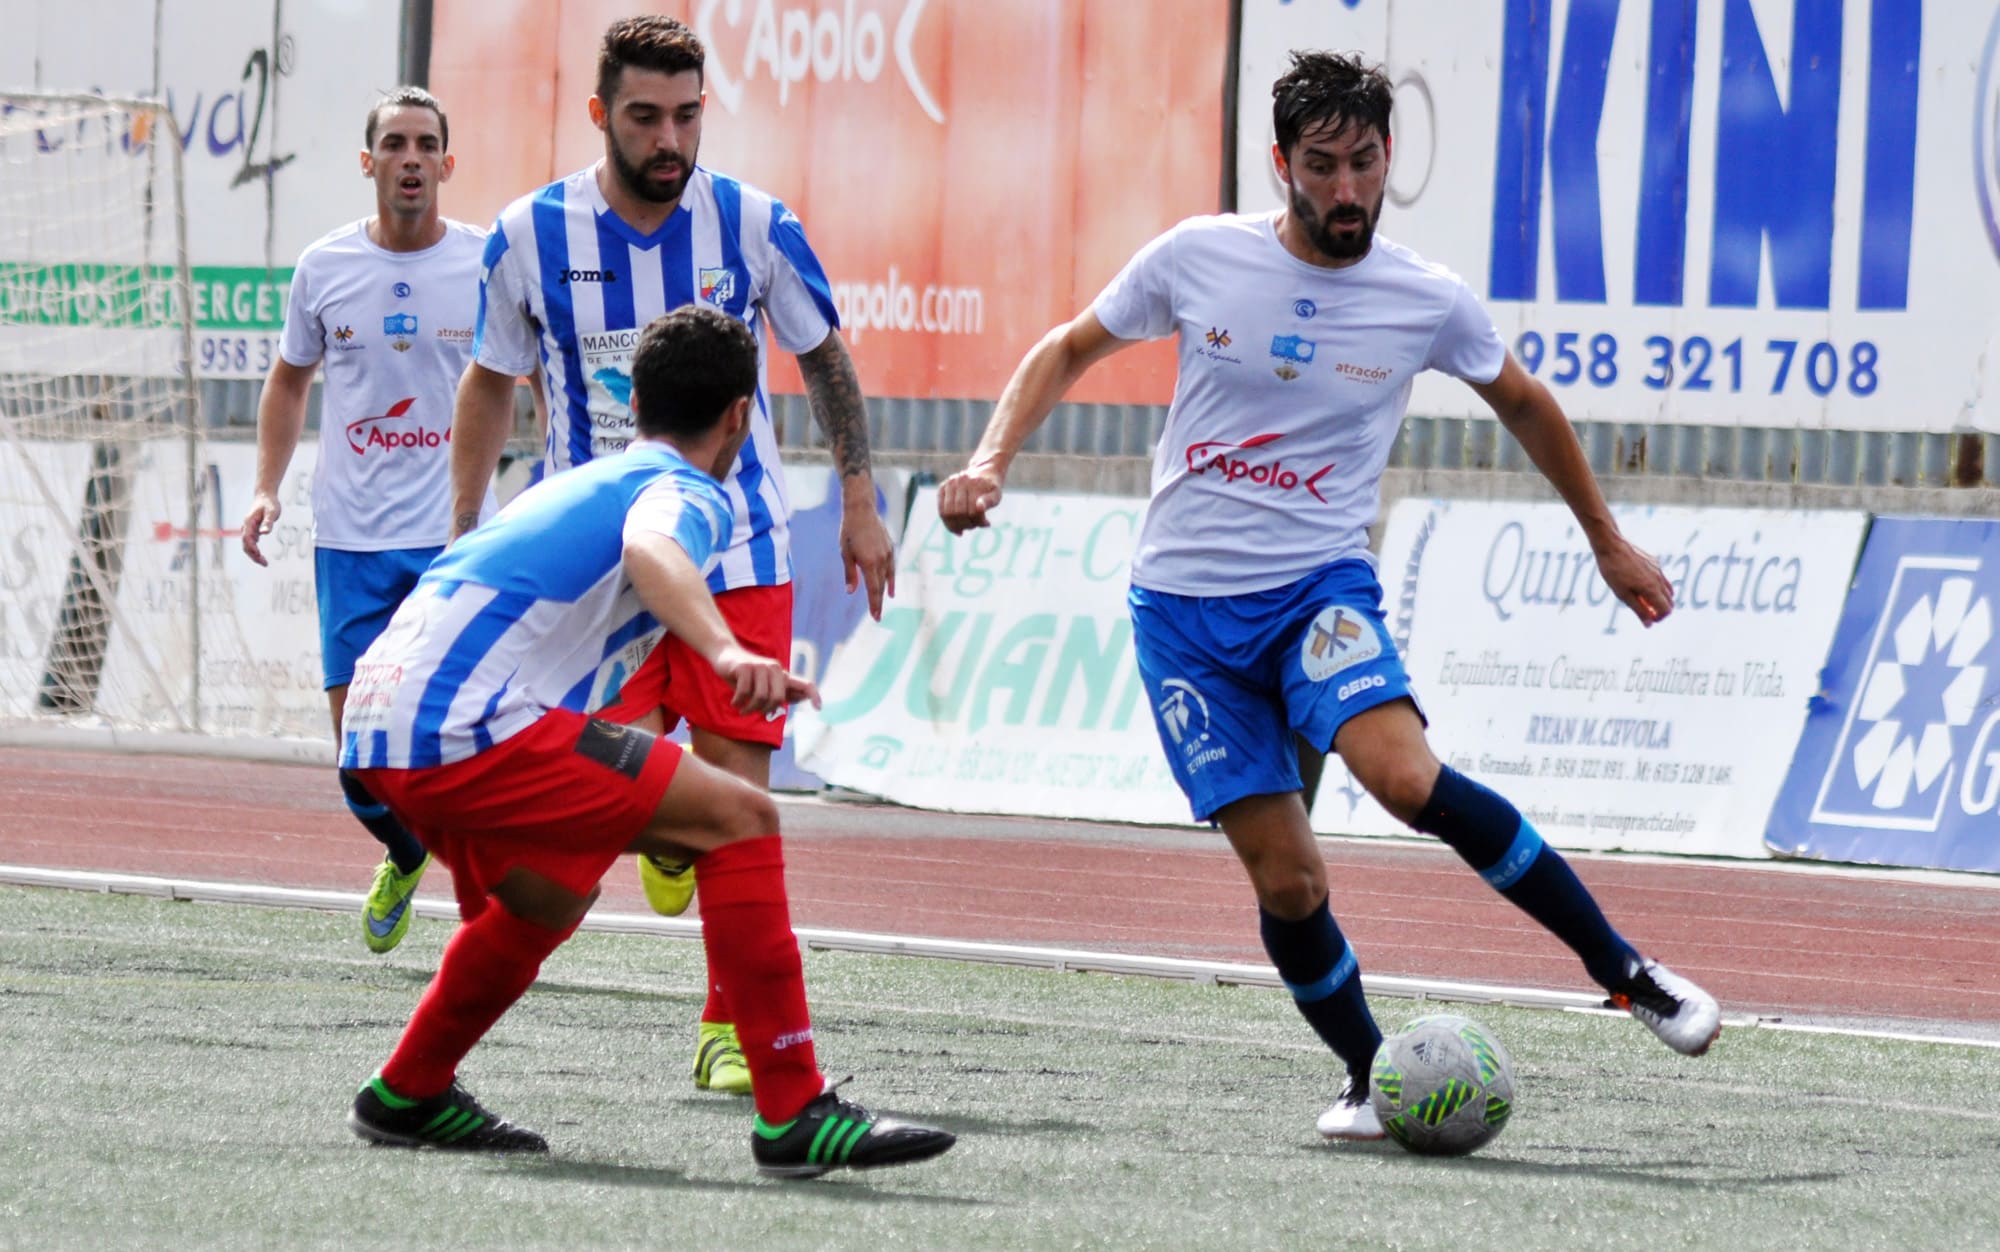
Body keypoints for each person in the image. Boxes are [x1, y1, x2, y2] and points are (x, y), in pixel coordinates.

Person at [937, 50, 1721, 1142]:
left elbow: (1525, 403)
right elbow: (1067, 347)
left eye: (1364, 162)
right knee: (1290, 880)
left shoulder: (1422, 297)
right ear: (1281, 166)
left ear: (1386, 158)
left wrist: (1606, 542)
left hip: (1316, 588)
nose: (1347, 189)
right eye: (1322, 166)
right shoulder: (1196, 257)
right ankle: (1373, 1076)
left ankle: (1626, 972)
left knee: (1403, 777)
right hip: (1183, 617)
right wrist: (987, 460)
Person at [342, 304, 955, 1176]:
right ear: (741, 414)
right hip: (457, 723)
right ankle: (793, 1109)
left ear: (638, 402)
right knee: (743, 815)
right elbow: (652, 549)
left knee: (553, 892)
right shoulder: (684, 488)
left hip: (378, 724)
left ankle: (407, 1090)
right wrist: (725, 648)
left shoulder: (580, 479)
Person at [447, 14, 895, 1097]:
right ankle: (657, 832)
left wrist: (857, 495)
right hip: (597, 573)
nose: (668, 138)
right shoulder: (526, 236)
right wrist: (466, 530)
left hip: (738, 552)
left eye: (686, 115)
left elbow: (824, 355)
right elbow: (489, 384)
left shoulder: (750, 222)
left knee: (741, 796)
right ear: (601, 114)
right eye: (644, 116)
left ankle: (729, 1027)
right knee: (610, 786)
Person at [241, 87, 496, 955]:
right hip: (350, 540)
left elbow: (526, 381)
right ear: (370, 163)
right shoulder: (323, 267)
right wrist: (268, 486)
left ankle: (487, 909)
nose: (412, 157)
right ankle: (403, 848)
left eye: (427, 143)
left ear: (447, 164)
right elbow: (287, 380)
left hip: (455, 539)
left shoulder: (485, 266)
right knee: (358, 761)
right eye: (395, 143)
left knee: (459, 732)